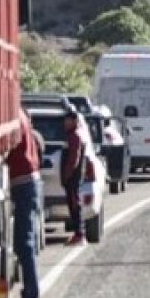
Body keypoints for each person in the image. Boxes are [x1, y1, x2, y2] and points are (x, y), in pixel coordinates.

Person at [8, 109, 44, 298]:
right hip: (28, 183)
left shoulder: (15, 119)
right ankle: (29, 297)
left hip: (24, 184)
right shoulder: (21, 116)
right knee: (23, 242)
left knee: (25, 242)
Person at [60, 104, 89, 246]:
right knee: (73, 205)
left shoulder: (75, 136)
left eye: (68, 119)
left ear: (74, 121)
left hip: (73, 178)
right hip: (72, 178)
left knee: (75, 205)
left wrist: (67, 174)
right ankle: (78, 233)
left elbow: (74, 159)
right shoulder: (72, 135)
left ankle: (80, 234)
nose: (65, 122)